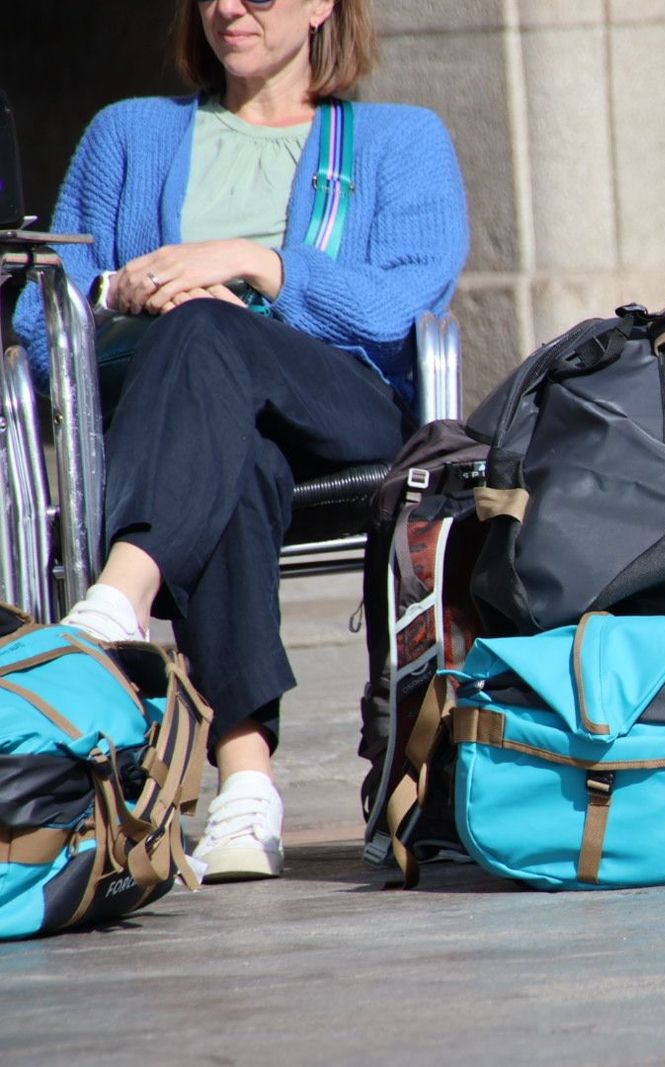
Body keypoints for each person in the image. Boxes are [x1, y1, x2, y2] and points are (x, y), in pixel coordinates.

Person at [10, 0, 469, 881]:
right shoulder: (130, 134)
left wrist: (252, 264)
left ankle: (118, 603)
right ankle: (245, 787)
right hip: (178, 412)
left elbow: (408, 300)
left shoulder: (397, 139)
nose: (230, 9)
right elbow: (42, 311)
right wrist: (126, 288)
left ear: (320, 5)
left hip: (332, 401)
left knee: (212, 329)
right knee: (236, 450)